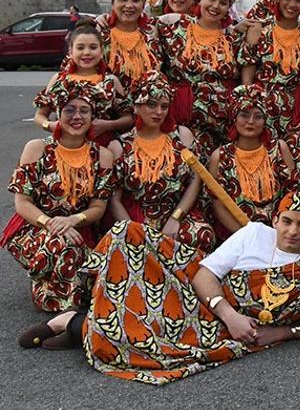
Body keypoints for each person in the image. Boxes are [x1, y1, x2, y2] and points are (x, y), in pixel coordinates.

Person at [23, 193, 300, 382]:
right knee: (127, 234)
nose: (292, 231)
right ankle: (81, 322)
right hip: (206, 298)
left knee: (149, 343)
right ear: (276, 220)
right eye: (287, 221)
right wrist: (229, 314)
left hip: (229, 331)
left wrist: (281, 333)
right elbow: (204, 274)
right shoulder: (255, 233)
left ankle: (75, 324)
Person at [5, 82, 115, 311]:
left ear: (93, 116)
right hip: (37, 227)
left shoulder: (103, 156)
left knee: (80, 255)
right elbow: (22, 202)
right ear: (57, 113)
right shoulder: (36, 148)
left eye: (84, 111)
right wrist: (52, 224)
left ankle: (61, 296)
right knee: (61, 244)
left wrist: (72, 220)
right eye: (69, 110)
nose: (77, 116)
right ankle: (62, 309)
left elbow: (98, 207)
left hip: (80, 228)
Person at [108, 71, 215, 252]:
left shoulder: (182, 136)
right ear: (136, 106)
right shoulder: (119, 145)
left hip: (177, 210)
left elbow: (196, 180)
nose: (159, 112)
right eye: (151, 105)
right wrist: (134, 230)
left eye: (164, 106)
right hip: (137, 216)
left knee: (200, 234)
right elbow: (114, 200)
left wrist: (176, 217)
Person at [239, 0, 300, 189]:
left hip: (297, 107)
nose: (292, 4)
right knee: (266, 164)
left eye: (299, 0)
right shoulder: (260, 29)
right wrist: (250, 111)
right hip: (263, 108)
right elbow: (247, 72)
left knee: (299, 166)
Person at [158, 0, 243, 159]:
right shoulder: (173, 25)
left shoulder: (234, 37)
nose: (215, 6)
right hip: (180, 120)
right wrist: (104, 20)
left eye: (223, 2)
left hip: (220, 125)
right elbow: (136, 24)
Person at [210, 84, 300, 230]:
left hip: (277, 231)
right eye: (244, 115)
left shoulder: (279, 149)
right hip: (237, 234)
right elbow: (218, 206)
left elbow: (292, 195)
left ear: (265, 121)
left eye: (258, 116)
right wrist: (246, 236)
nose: (251, 122)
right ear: (234, 118)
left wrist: (279, 230)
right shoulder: (220, 156)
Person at [33, 21, 131, 147]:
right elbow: (40, 115)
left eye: (93, 47)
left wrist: (107, 125)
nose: (86, 53)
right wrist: (51, 125)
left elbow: (128, 119)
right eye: (80, 48)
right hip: (65, 145)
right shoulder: (59, 80)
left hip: (101, 146)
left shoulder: (110, 81)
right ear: (70, 51)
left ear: (101, 51)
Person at [98, 0, 163, 84]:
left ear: (143, 5)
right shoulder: (100, 35)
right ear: (113, 4)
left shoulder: (153, 34)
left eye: (135, 0)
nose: (129, 5)